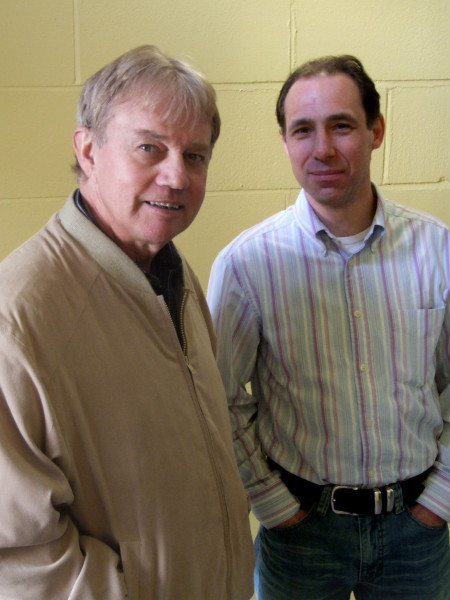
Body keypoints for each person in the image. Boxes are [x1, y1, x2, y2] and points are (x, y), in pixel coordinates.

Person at [0, 45, 254, 600]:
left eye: (196, 156)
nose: (176, 176)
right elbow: (14, 556)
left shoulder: (172, 273)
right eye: (150, 147)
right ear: (88, 150)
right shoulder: (19, 315)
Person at [207, 55, 449, 599]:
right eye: (303, 131)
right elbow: (217, 399)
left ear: (376, 131)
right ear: (285, 142)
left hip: (418, 531)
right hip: (300, 535)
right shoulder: (247, 266)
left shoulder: (440, 251)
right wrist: (273, 506)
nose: (323, 149)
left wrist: (440, 502)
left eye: (341, 125)